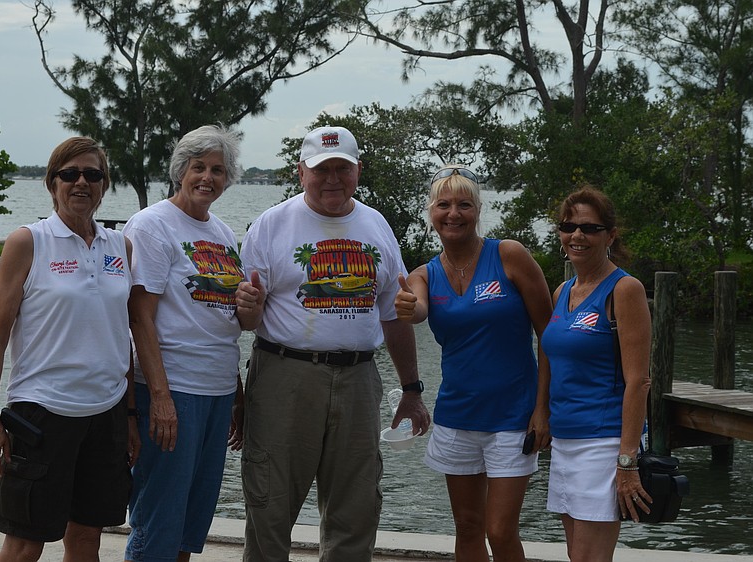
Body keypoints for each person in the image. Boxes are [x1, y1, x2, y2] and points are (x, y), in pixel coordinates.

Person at [234, 125, 431, 561]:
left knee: (356, 506)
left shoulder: (375, 224)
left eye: (343, 168)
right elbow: (246, 321)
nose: (332, 179)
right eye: (322, 169)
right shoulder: (271, 225)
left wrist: (413, 390)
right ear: (301, 171)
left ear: (358, 170)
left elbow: (393, 313)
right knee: (270, 503)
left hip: (360, 377)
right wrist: (247, 306)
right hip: (284, 374)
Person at [0, 137, 138, 562]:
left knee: (87, 538)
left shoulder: (120, 246)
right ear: (52, 184)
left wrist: (132, 415)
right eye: (70, 174)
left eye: (93, 174)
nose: (81, 182)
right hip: (43, 413)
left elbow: (124, 334)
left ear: (105, 185)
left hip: (106, 413)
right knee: (26, 542)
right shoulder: (27, 242)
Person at [394, 165, 553, 562]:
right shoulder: (423, 275)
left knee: (499, 530)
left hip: (513, 417)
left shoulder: (510, 255)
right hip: (457, 416)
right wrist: (409, 309)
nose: (454, 213)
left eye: (464, 204)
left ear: (478, 209)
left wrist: (543, 408)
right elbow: (417, 308)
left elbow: (550, 335)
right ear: (431, 213)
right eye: (444, 204)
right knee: (466, 527)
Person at [122, 124, 246, 562]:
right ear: (180, 171)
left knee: (190, 526)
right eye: (198, 167)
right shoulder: (153, 225)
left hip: (216, 390)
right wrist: (158, 396)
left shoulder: (225, 234)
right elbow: (140, 317)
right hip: (172, 389)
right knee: (158, 520)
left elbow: (219, 318)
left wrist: (237, 393)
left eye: (218, 169)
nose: (207, 178)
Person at [541, 186, 652, 562]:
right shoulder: (562, 291)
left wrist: (627, 461)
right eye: (568, 226)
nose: (577, 236)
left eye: (589, 228)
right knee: (577, 556)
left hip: (602, 445)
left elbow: (639, 381)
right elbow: (552, 362)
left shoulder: (624, 290)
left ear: (610, 235)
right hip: (565, 442)